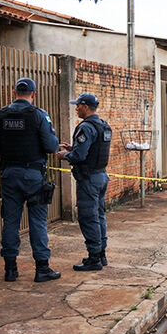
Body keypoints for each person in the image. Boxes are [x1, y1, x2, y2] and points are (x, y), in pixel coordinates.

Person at [0, 77, 61, 283]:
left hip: (10, 173)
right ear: (33, 94)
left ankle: (10, 269)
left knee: (10, 221)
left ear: (13, 93)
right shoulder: (39, 115)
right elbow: (52, 146)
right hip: (33, 175)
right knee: (37, 221)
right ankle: (42, 269)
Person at [57, 93, 111, 271]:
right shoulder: (103, 125)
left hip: (89, 179)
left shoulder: (86, 127)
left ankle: (94, 258)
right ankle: (101, 254)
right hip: (101, 176)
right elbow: (92, 150)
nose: (76, 108)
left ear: (86, 107)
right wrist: (74, 148)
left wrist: (66, 155)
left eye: (78, 105)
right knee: (99, 215)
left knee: (88, 217)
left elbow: (80, 156)